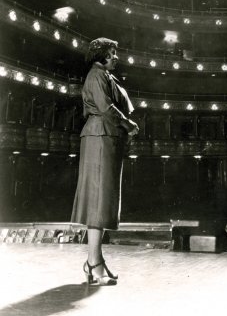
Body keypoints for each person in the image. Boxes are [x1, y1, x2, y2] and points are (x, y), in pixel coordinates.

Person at [71, 37, 139, 286]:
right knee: (99, 201)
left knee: (102, 201)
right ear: (101, 56)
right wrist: (128, 123)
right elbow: (107, 107)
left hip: (104, 137)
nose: (116, 57)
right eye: (112, 53)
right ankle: (94, 263)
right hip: (100, 137)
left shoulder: (103, 75)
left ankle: (95, 261)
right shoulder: (96, 75)